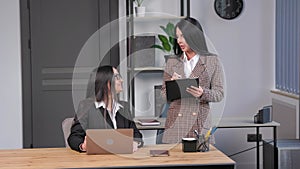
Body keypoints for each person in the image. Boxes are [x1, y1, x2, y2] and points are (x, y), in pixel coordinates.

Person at [161, 17, 224, 144]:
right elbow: (163, 95)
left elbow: (219, 94)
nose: (179, 41)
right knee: (175, 162)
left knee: (200, 162)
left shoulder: (212, 61)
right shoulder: (172, 62)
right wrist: (172, 85)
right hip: (176, 123)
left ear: (194, 36)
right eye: (177, 37)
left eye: (183, 36)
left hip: (200, 120)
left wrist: (203, 93)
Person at [68, 65, 143, 152]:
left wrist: (135, 142)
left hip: (123, 160)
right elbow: (74, 137)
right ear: (107, 82)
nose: (121, 80)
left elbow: (137, 135)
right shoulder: (87, 106)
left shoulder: (124, 107)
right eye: (117, 77)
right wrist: (83, 146)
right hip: (97, 161)